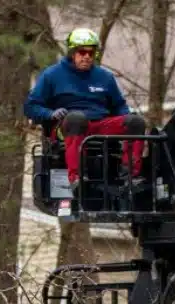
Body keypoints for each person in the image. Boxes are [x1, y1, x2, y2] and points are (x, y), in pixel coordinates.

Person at [24, 28, 146, 190]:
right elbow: (31, 107)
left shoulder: (105, 77)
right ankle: (76, 177)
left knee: (135, 122)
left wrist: (127, 117)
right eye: (82, 52)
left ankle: (129, 175)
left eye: (91, 52)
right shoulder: (52, 75)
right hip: (67, 126)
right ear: (72, 52)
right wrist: (50, 113)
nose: (87, 56)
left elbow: (119, 106)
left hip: (100, 124)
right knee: (77, 119)